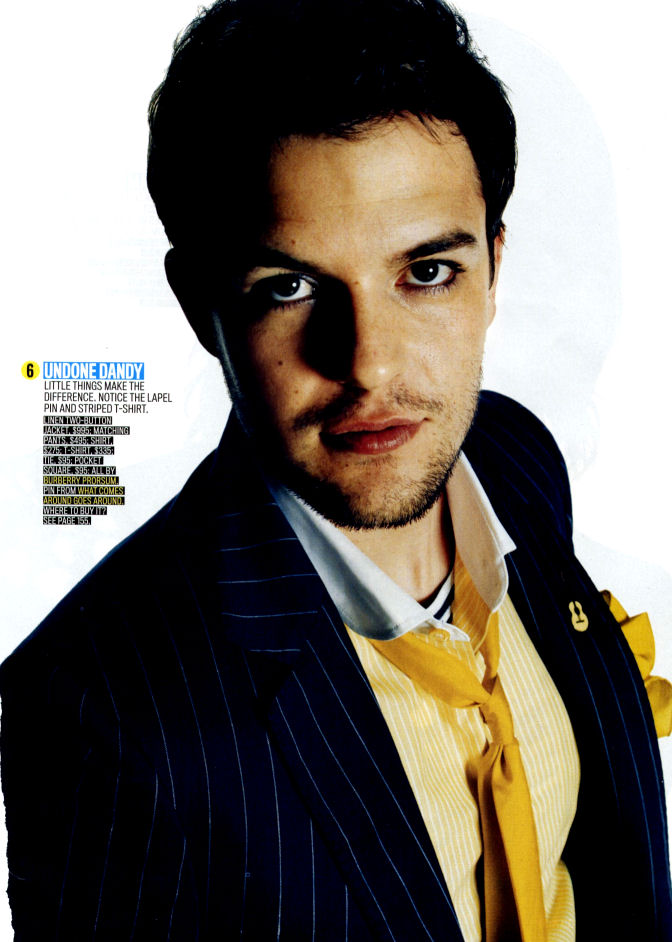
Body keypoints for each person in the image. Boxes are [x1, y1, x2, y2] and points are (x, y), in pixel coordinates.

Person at [1, 0, 670, 939]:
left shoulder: (515, 458)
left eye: (426, 272)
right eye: (289, 287)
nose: (370, 366)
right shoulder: (99, 713)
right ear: (200, 306)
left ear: (493, 269)